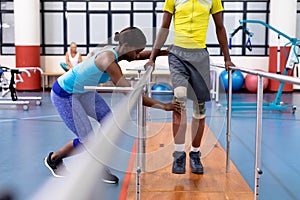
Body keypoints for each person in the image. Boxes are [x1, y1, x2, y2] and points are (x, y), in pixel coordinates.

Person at [44, 27, 179, 184]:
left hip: (84, 92)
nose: (137, 56)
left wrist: (162, 52)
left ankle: (98, 164)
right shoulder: (108, 60)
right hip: (65, 93)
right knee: (87, 139)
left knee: (109, 123)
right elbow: (132, 94)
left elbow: (137, 56)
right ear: (127, 46)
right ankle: (54, 159)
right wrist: (164, 106)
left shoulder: (117, 52)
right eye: (136, 52)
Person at [145, 0, 235, 174]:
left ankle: (195, 154)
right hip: (177, 54)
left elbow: (220, 27)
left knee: (199, 109)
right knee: (179, 99)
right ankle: (179, 154)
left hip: (200, 55)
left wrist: (227, 58)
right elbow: (164, 27)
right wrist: (152, 57)